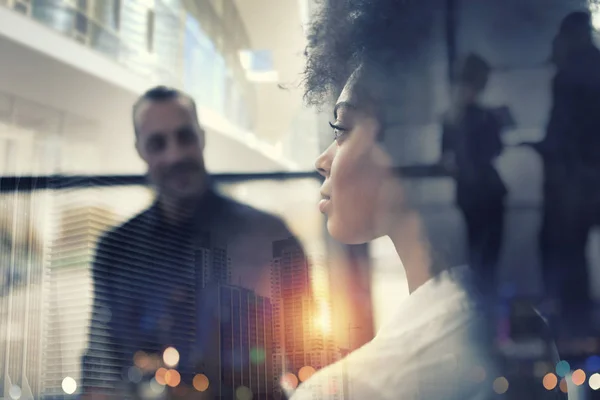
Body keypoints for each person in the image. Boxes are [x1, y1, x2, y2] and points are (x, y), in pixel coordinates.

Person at [290, 1, 564, 399]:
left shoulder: (345, 391)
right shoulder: (528, 330)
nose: (323, 160)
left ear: (405, 143)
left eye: (342, 129)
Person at [81, 86, 306, 399]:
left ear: (201, 138)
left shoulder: (270, 237)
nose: (174, 155)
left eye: (184, 137)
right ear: (140, 150)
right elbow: (101, 373)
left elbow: (311, 360)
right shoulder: (115, 252)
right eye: (157, 143)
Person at [527, 11, 600, 336]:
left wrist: (540, 146)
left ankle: (573, 326)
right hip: (590, 180)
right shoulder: (594, 66)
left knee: (563, 250)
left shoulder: (569, 76)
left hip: (574, 184)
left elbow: (563, 134)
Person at [441, 53, 512, 293]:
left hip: (469, 194)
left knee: (477, 254)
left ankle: (479, 308)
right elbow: (496, 149)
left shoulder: (450, 118)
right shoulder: (484, 117)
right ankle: (485, 308)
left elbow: (447, 161)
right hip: (487, 192)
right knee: (488, 258)